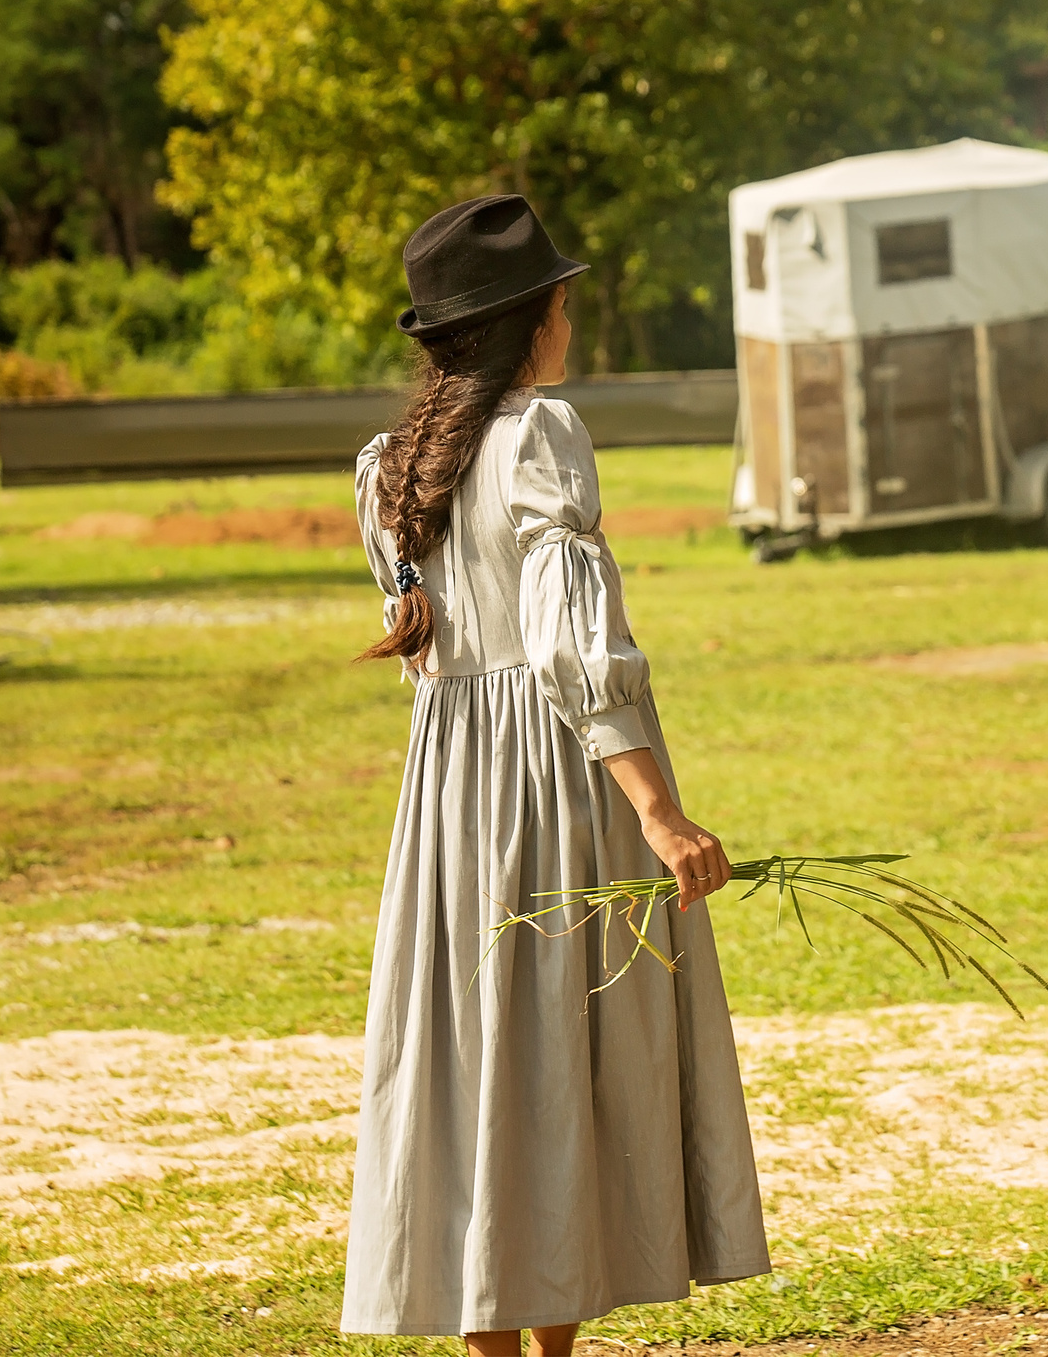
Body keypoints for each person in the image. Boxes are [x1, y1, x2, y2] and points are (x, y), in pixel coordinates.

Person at [339, 194, 769, 1355]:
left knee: (486, 1049)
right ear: (532, 324)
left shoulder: (389, 468)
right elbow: (572, 645)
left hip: (450, 791)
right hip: (551, 779)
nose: (567, 328)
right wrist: (661, 813)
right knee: (552, 1044)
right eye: (564, 307)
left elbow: (425, 654)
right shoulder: (537, 436)